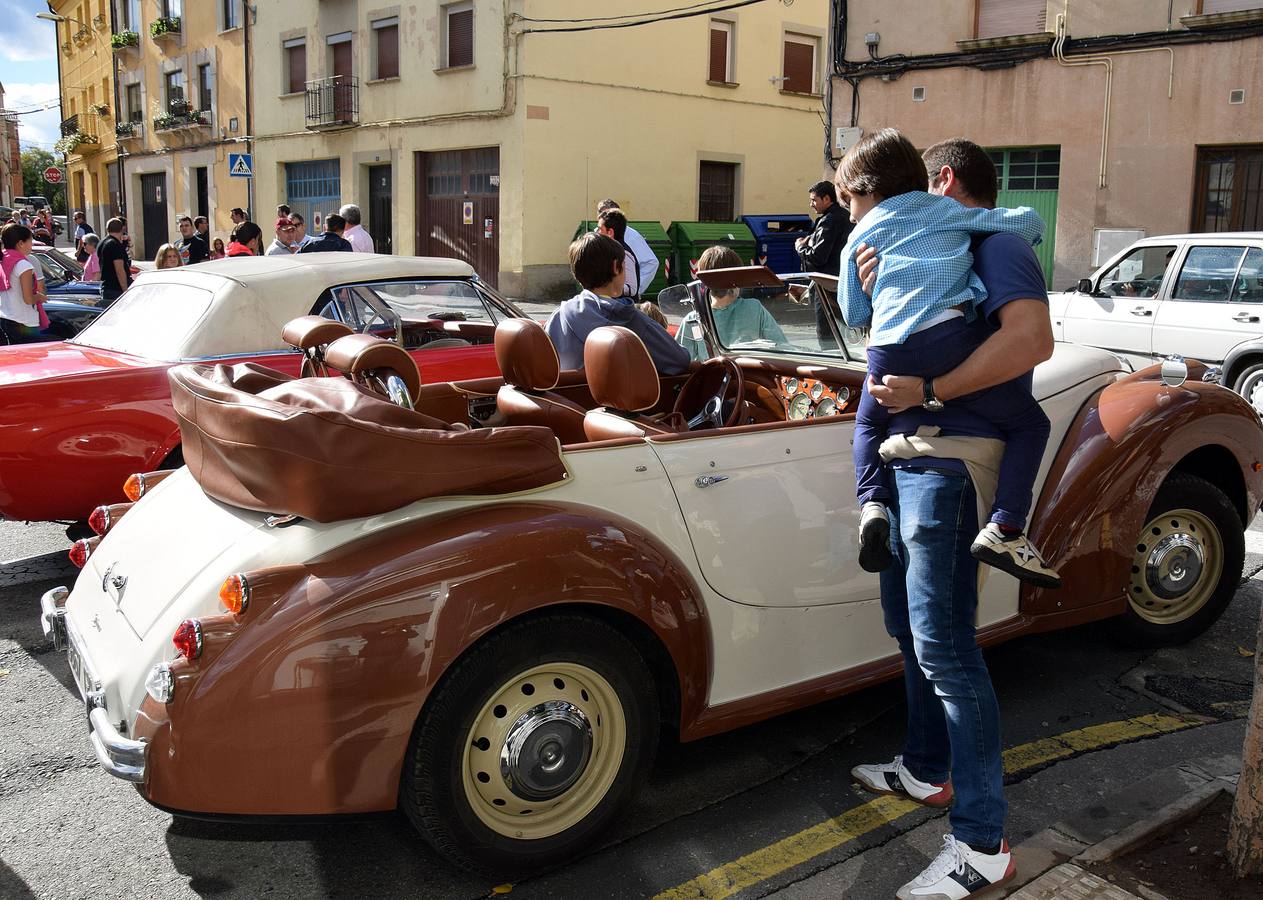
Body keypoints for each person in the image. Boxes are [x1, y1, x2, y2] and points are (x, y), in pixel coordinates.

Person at [847, 136, 1056, 900]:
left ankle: (981, 843)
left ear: (939, 182)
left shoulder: (995, 241)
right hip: (907, 460)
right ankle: (926, 770)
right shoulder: (912, 248)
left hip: (946, 462)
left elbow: (1031, 341)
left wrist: (932, 390)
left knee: (944, 648)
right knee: (911, 633)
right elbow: (881, 349)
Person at [835, 128, 1056, 586]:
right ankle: (1007, 525)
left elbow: (854, 312)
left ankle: (870, 502)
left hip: (888, 354)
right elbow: (1024, 223)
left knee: (865, 422)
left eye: (847, 202)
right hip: (944, 340)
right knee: (1032, 423)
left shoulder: (861, 236)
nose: (850, 213)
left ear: (863, 190)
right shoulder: (946, 214)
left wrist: (878, 291)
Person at [545, 232, 690, 374]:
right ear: (616, 267)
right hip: (621, 398)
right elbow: (680, 360)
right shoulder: (633, 320)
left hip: (566, 397)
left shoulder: (559, 316)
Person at [676, 245, 788, 361]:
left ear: (703, 282)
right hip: (749, 375)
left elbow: (681, 362)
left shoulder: (693, 319)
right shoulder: (754, 308)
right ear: (738, 279)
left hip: (710, 376)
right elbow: (781, 347)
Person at [795, 180, 853, 348]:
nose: (811, 204)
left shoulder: (829, 220)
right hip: (840, 283)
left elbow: (817, 257)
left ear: (827, 199)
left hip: (826, 286)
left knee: (827, 335)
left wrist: (800, 247)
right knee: (840, 332)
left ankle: (832, 369)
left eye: (814, 200)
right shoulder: (844, 216)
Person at [597, 199, 658, 299]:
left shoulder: (630, 237)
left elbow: (651, 262)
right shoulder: (599, 234)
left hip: (622, 301)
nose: (605, 216)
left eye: (610, 213)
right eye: (603, 213)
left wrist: (638, 286)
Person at [0, 223, 50, 345]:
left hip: (5, 318)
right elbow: (28, 299)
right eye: (30, 241)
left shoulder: (3, 259)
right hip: (24, 322)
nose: (31, 245)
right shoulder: (23, 265)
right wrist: (40, 296)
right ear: (21, 243)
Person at [595, 208, 643, 300]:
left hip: (623, 310)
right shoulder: (609, 252)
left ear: (610, 233)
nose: (597, 232)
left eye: (600, 229)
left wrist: (604, 286)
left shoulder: (624, 254)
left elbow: (632, 289)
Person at [97, 217, 132, 304]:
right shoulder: (115, 245)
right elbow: (119, 269)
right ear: (122, 229)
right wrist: (125, 291)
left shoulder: (102, 243)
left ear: (107, 229)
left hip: (106, 286)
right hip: (116, 289)